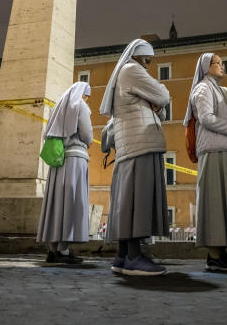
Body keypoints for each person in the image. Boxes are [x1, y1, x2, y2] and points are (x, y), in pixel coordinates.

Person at [100, 38, 172, 276]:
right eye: (148, 60)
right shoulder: (132, 70)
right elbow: (162, 95)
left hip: (132, 143)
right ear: (140, 56)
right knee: (137, 200)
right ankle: (134, 256)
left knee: (128, 200)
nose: (149, 66)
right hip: (140, 143)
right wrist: (158, 100)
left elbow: (157, 108)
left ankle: (122, 256)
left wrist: (156, 105)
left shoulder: (126, 73)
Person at [183, 52, 227, 272]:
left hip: (223, 150)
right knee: (215, 203)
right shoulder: (203, 88)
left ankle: (220, 254)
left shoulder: (217, 89)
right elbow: (206, 118)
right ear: (205, 66)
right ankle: (214, 256)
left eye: (223, 63)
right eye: (218, 63)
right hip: (213, 151)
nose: (222, 67)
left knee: (222, 204)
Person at [37, 81, 93, 264]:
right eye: (87, 95)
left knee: (57, 204)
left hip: (58, 159)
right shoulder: (80, 107)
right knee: (71, 202)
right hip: (76, 158)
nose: (87, 99)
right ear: (82, 94)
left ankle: (53, 250)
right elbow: (87, 135)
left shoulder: (58, 108)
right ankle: (64, 250)